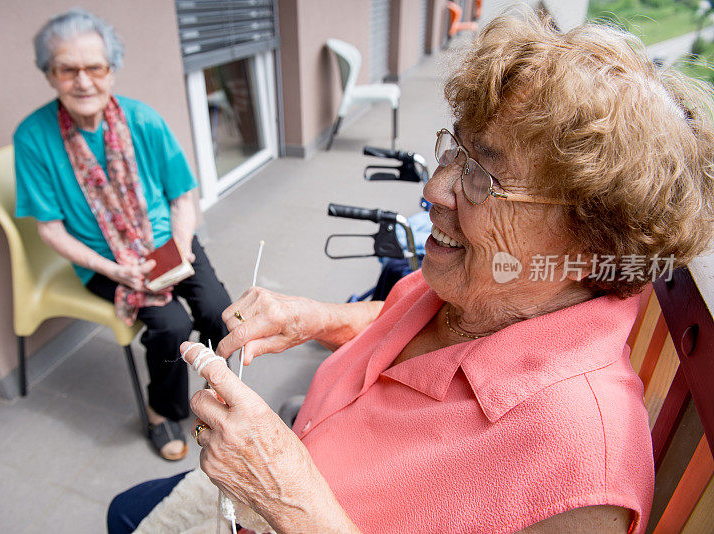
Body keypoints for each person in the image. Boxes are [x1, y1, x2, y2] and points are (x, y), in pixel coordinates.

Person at [108, 10, 714, 533]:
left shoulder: (583, 465)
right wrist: (314, 317)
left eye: (483, 177)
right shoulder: (493, 283)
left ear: (590, 243)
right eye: (457, 149)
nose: (435, 188)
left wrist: (290, 501)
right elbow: (400, 320)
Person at [13, 9, 231, 461]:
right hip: (103, 260)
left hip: (169, 242)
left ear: (111, 70)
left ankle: (225, 389)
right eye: (67, 69)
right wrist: (115, 269)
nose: (84, 81)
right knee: (170, 325)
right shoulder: (32, 138)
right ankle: (162, 411)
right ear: (49, 75)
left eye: (96, 67)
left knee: (216, 309)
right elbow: (50, 230)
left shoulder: (143, 119)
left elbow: (181, 198)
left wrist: (183, 250)